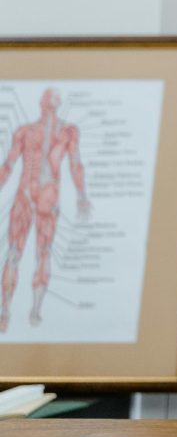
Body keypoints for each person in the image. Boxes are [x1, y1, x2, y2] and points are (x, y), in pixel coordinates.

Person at [0, 88, 91, 332]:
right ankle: (8, 310)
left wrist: (82, 195)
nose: (50, 107)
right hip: (29, 198)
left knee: (42, 254)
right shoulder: (26, 132)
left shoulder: (67, 132)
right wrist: (81, 195)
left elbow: (75, 164)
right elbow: (7, 165)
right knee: (16, 253)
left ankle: (32, 310)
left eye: (52, 103)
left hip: (44, 200)